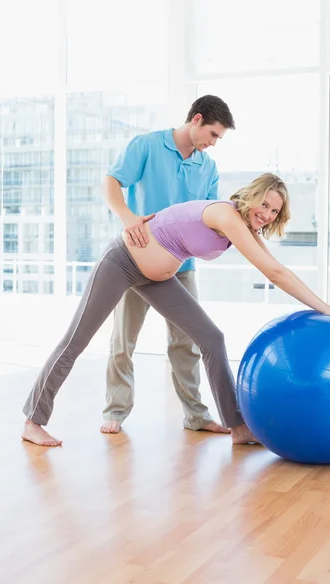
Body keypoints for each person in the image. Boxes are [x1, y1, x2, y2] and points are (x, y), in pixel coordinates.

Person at [22, 172, 330, 447]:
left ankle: (238, 426)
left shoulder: (243, 229)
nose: (267, 214)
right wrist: (328, 308)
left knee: (211, 338)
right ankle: (33, 421)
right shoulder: (225, 214)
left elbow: (278, 270)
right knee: (75, 341)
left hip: (156, 279)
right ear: (253, 195)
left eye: (275, 212)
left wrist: (325, 307)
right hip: (122, 262)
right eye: (265, 204)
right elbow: (272, 272)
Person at [100, 95, 235, 436]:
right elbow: (112, 182)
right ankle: (115, 411)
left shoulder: (208, 167)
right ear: (197, 119)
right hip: (138, 258)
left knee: (186, 342)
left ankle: (196, 415)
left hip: (182, 266)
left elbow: (210, 216)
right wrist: (128, 217)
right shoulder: (147, 146)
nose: (214, 143)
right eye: (214, 134)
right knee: (123, 341)